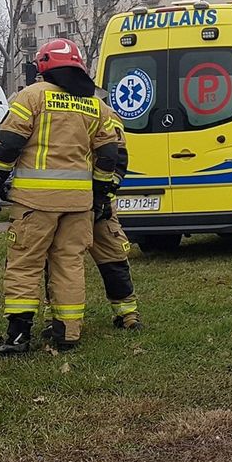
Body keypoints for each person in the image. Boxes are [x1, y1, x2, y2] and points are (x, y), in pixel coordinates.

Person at [0, 38, 120, 354]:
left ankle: (18, 336)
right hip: (79, 204)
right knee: (69, 264)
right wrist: (100, 192)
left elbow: (8, 143)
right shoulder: (94, 105)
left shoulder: (30, 97)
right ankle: (68, 332)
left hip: (36, 203)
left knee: (24, 263)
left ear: (43, 65)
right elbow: (109, 153)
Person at [88, 101, 142, 330]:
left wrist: (104, 194)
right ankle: (58, 319)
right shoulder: (102, 110)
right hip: (70, 201)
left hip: (87, 201)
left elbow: (118, 157)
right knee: (61, 262)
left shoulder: (101, 111)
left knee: (112, 257)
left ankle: (127, 313)